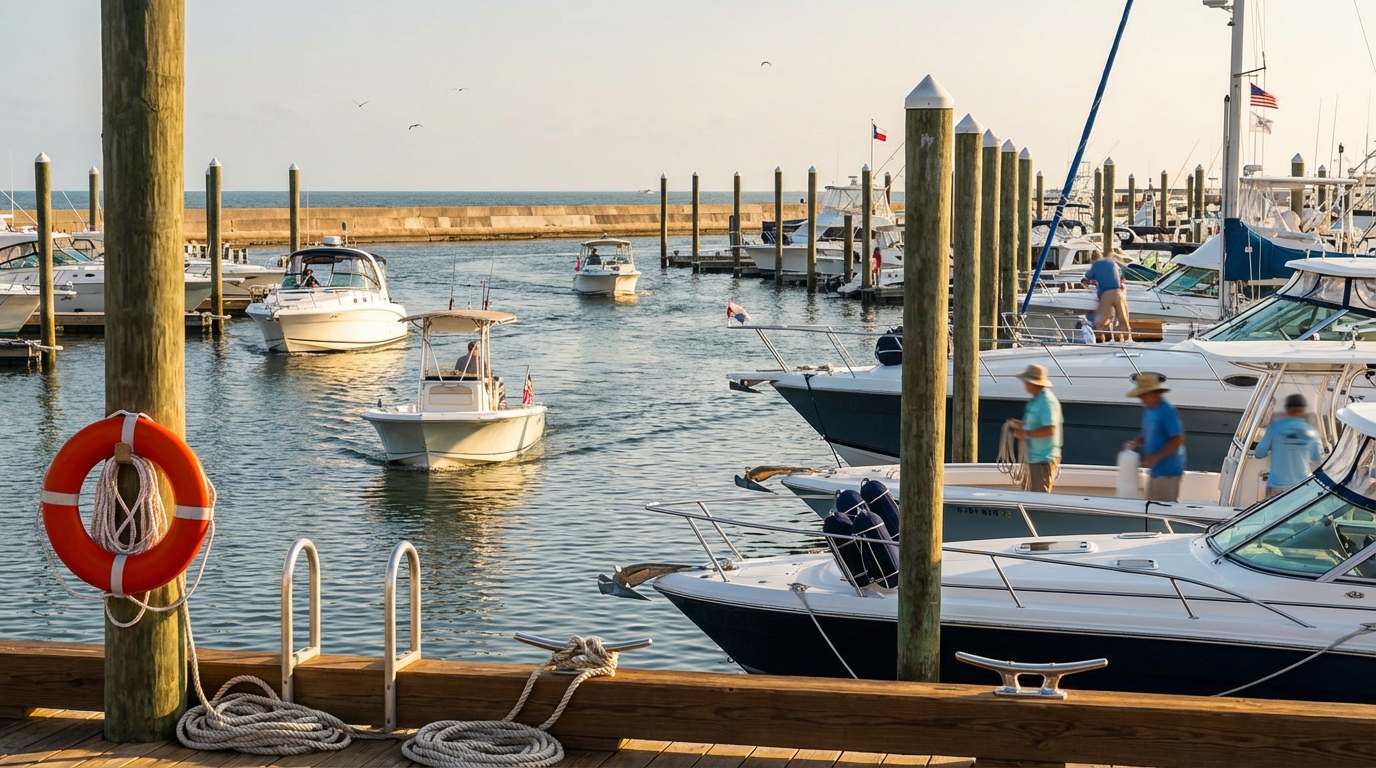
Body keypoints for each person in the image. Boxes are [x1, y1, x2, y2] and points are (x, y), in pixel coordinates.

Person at [1124, 374, 1186, 501]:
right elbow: (1149, 434)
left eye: (1142, 395)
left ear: (1154, 393)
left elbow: (1178, 438)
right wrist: (1135, 442)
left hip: (1168, 472)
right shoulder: (1149, 410)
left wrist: (1156, 457)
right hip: (1155, 472)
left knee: (1162, 512)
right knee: (1151, 509)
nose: (1141, 399)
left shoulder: (1167, 410)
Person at [1253, 394, 1324, 497]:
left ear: (1287, 409)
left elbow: (1258, 454)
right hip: (1301, 487)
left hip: (1276, 487)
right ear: (1303, 410)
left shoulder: (1274, 428)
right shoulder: (1312, 432)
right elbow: (1318, 459)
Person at [1008, 364, 1062, 492]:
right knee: (1030, 494)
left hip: (1043, 460)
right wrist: (1021, 424)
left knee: (1039, 496)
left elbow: (1050, 430)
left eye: (1026, 382)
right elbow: (1037, 424)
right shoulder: (1037, 400)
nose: (1024, 385)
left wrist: (1025, 434)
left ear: (1033, 383)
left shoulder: (1047, 401)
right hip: (1035, 459)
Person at [1081, 251, 1131, 341]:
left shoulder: (1096, 265)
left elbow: (1088, 276)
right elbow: (1119, 275)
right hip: (1118, 293)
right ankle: (1128, 339)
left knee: (1100, 322)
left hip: (1107, 294)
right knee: (1123, 320)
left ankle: (1101, 341)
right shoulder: (1111, 262)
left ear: (1092, 259)